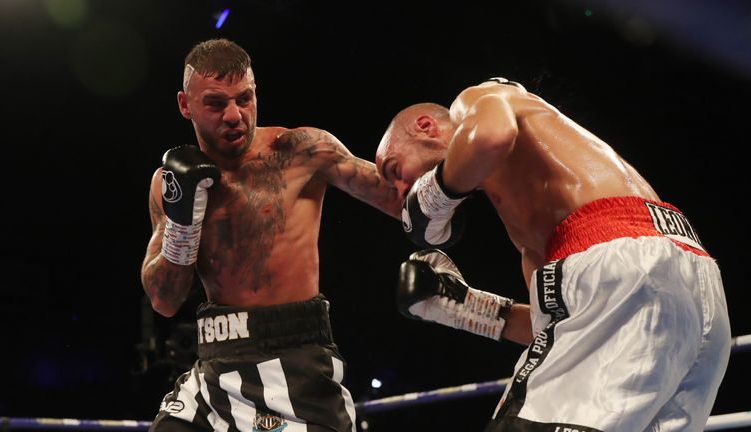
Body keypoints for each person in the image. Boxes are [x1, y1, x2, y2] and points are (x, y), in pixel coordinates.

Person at [375, 77, 731, 431]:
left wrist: (435, 195)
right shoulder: (536, 234)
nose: (403, 191)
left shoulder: (481, 98)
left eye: (396, 172)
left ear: (425, 127)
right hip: (698, 293)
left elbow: (490, 137)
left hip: (624, 258)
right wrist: (463, 307)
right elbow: (557, 330)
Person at [141, 38, 402, 432]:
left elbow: (401, 201)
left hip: (295, 357)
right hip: (215, 359)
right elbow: (164, 299)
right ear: (185, 105)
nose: (235, 115)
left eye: (244, 99)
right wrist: (182, 224)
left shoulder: (302, 151)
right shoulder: (170, 182)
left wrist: (462, 170)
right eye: (215, 103)